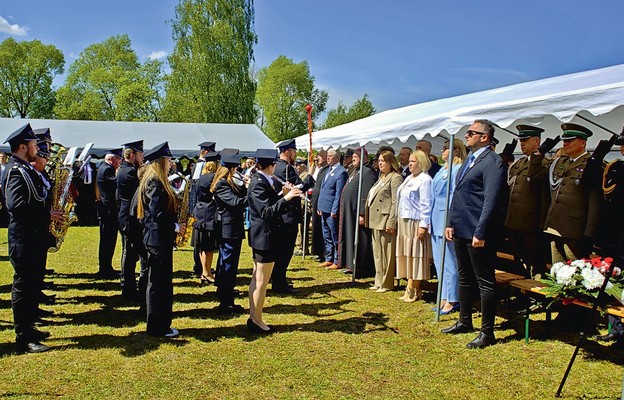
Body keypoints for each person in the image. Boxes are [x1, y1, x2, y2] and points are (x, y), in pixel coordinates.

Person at [442, 119, 506, 349]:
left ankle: (487, 332)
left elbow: (491, 200)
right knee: (464, 275)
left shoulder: (493, 162)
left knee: (484, 281)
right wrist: (450, 222)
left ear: (485, 137)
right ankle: (465, 321)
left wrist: (481, 231)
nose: (467, 135)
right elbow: (458, 194)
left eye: (471, 132)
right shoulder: (470, 159)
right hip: (461, 228)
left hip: (478, 232)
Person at [2, 124, 55, 353]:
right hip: (23, 237)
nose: (37, 148)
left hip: (33, 236)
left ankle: (30, 328)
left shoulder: (24, 169)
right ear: (23, 147)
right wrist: (47, 214)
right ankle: (23, 337)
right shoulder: (15, 171)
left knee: (32, 283)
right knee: (23, 286)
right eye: (34, 145)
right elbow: (16, 206)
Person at [246, 148, 302, 333]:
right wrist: (286, 197)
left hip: (264, 235)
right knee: (261, 280)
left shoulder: (262, 180)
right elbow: (266, 212)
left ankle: (255, 317)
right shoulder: (259, 182)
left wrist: (281, 194)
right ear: (270, 165)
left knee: (258, 278)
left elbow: (269, 203)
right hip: (264, 236)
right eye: (274, 164)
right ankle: (256, 320)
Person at [137, 142, 185, 338]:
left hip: (158, 238)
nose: (170, 162)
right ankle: (158, 327)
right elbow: (156, 214)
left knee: (160, 283)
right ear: (160, 161)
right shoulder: (155, 182)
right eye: (168, 159)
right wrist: (175, 227)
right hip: (157, 238)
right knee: (159, 285)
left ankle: (160, 324)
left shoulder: (155, 180)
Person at [505, 126, 559, 278]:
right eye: (521, 140)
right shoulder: (518, 163)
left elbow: (534, 176)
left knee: (535, 262)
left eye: (525, 140)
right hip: (514, 219)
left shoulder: (544, 164)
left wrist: (538, 155)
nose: (522, 144)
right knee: (519, 260)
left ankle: (535, 293)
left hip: (531, 222)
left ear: (537, 141)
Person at [543, 123, 599, 263]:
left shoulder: (592, 165)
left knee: (575, 274)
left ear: (582, 143)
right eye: (564, 141)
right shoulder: (560, 162)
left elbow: (594, 202)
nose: (565, 144)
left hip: (575, 230)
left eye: (570, 140)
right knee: (557, 271)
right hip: (555, 226)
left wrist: (589, 232)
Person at [592, 129, 624, 345]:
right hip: (615, 234)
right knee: (614, 280)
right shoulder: (617, 167)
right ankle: (616, 328)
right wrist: (598, 154)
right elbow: (591, 179)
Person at [271, 139, 312, 293]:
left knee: (280, 250)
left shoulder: (276, 167)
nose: (295, 154)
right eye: (294, 151)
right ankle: (279, 283)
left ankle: (278, 279)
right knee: (285, 251)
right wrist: (309, 180)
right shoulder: (287, 168)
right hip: (288, 215)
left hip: (280, 214)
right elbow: (299, 187)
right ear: (287, 152)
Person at [431, 139, 466, 314]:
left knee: (450, 262)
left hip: (446, 219)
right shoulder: (442, 169)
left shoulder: (458, 170)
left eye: (446, 148)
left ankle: (453, 299)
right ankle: (443, 296)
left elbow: (454, 197)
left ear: (456, 151)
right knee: (439, 262)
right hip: (435, 218)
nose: (442, 151)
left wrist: (450, 221)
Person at [395, 150, 433, 302]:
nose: (410, 164)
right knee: (407, 254)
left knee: (416, 254)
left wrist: (424, 225)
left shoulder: (425, 179)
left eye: (413, 161)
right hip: (404, 220)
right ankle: (409, 285)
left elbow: (426, 203)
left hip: (416, 221)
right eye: (409, 161)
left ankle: (415, 287)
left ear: (421, 163)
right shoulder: (409, 178)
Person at [213, 152, 248, 314]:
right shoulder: (221, 184)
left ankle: (225, 294)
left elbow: (238, 193)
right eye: (235, 169)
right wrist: (252, 192)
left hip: (231, 228)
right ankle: (226, 302)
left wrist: (245, 187)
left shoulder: (227, 183)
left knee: (228, 263)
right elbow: (235, 203)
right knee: (228, 265)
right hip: (228, 229)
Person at [365, 150, 403, 292]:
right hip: (375, 219)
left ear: (390, 162)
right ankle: (378, 280)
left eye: (383, 161)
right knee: (377, 253)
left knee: (387, 253)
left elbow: (395, 201)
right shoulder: (381, 177)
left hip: (385, 219)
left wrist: (391, 221)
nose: (380, 163)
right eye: (379, 161)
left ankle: (387, 283)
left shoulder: (395, 178)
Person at [338, 147, 376, 277]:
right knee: (350, 237)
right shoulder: (356, 171)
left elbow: (366, 193)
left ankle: (361, 267)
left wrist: (362, 212)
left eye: (356, 155)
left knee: (360, 240)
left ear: (364, 157)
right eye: (353, 155)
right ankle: (351, 264)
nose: (353, 157)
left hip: (358, 213)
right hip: (350, 212)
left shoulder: (367, 172)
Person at [117, 140, 145, 301]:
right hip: (129, 217)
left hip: (125, 215)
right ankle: (127, 287)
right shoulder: (129, 172)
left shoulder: (125, 169)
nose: (142, 158)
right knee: (129, 252)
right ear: (132, 154)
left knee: (130, 251)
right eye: (140, 154)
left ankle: (128, 285)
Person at [191, 151, 221, 285]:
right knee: (208, 247)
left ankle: (204, 271)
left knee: (202, 246)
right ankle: (207, 273)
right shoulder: (214, 179)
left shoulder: (201, 178)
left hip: (199, 212)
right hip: (209, 214)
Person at [317, 149, 348, 270]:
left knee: (334, 235)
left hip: (331, 210)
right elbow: (323, 189)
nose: (328, 158)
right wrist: (320, 206)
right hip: (323, 208)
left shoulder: (341, 172)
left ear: (336, 158)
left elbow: (338, 194)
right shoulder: (328, 170)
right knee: (326, 235)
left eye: (330, 156)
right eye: (327, 156)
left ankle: (337, 259)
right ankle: (328, 258)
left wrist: (334, 210)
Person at [96, 148, 123, 278]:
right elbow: (116, 184)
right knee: (108, 240)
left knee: (108, 239)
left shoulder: (104, 167)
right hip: (108, 210)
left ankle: (106, 267)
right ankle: (105, 268)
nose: (120, 163)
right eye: (119, 160)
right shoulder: (107, 169)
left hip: (107, 209)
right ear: (112, 159)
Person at [310, 150, 329, 259]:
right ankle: (317, 251)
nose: (317, 158)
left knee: (322, 228)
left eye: (320, 156)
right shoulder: (321, 170)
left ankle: (323, 252)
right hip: (316, 201)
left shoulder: (327, 170)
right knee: (316, 226)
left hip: (322, 203)